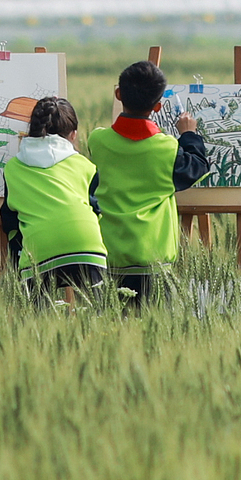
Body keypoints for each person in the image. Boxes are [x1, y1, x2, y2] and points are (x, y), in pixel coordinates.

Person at [88, 60, 210, 307]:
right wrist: (188, 135)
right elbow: (198, 165)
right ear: (158, 106)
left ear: (118, 94)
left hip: (110, 255)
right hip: (154, 259)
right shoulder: (167, 148)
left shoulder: (97, 140)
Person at [0, 96, 105, 299]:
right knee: (97, 314)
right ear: (73, 135)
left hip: (39, 251)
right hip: (88, 246)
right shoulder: (85, 166)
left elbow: (9, 219)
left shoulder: (12, 169)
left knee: (37, 318)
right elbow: (96, 208)